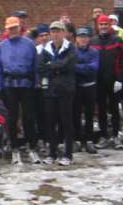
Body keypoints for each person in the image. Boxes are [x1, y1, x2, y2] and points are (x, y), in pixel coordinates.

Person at [0, 16, 41, 165]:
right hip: (9, 85)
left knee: (29, 117)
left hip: (26, 84)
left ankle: (32, 147)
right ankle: (14, 148)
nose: (13, 30)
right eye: (10, 28)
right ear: (6, 30)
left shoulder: (29, 44)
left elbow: (36, 66)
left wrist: (37, 83)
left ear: (20, 27)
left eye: (15, 27)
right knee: (11, 118)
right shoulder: (2, 46)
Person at [37, 22, 77, 165]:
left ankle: (68, 154)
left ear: (64, 33)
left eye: (58, 31)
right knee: (50, 122)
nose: (55, 34)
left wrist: (52, 66)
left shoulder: (70, 47)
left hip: (66, 90)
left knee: (66, 122)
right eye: (53, 31)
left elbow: (69, 64)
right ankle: (52, 153)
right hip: (50, 91)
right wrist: (58, 67)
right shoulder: (46, 49)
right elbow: (40, 67)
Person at [90, 14, 123, 150]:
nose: (104, 27)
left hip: (113, 81)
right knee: (101, 110)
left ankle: (116, 135)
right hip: (99, 81)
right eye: (101, 24)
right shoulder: (93, 42)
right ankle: (104, 135)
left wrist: (120, 79)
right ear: (98, 26)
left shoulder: (117, 40)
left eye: (106, 24)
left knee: (114, 109)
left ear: (110, 25)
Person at [73, 28, 100, 153]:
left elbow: (94, 67)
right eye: (80, 37)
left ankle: (89, 140)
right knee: (76, 114)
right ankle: (77, 140)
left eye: (85, 37)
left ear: (89, 39)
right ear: (76, 39)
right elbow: (71, 67)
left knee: (90, 114)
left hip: (90, 86)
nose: (83, 39)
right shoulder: (72, 52)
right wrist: (85, 67)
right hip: (76, 87)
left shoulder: (94, 52)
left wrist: (79, 67)